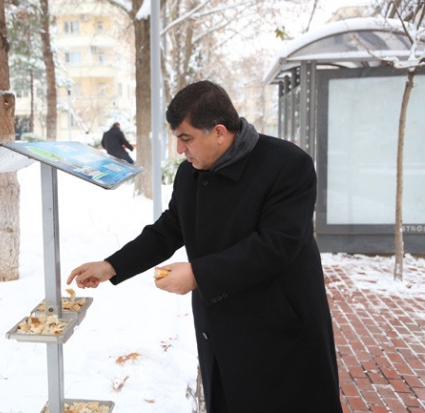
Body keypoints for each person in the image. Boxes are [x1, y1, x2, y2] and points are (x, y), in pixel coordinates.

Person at [67, 80, 342, 413]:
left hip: (280, 327)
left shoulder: (287, 164)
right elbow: (169, 229)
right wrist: (111, 266)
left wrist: (198, 273)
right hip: (223, 329)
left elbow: (277, 244)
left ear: (220, 132)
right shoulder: (191, 174)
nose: (181, 150)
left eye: (187, 139)